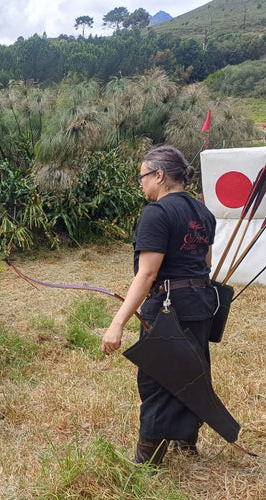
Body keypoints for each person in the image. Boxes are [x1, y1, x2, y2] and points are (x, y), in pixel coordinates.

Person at [101, 145, 217, 466]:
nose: (140, 183)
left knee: (156, 379)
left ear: (160, 175)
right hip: (200, 305)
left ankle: (146, 462)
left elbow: (148, 273)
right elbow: (204, 264)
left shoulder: (157, 213)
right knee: (192, 371)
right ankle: (186, 440)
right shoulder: (203, 212)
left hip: (169, 308)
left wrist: (118, 323)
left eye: (143, 176)